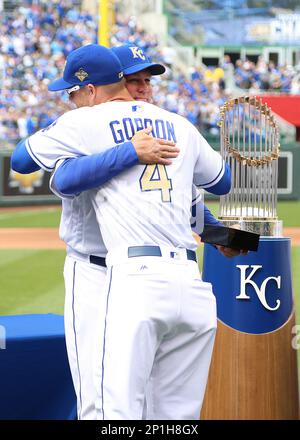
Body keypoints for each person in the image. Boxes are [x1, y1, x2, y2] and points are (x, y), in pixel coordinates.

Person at [22, 43, 231, 420]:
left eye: (147, 81)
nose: (143, 89)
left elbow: (188, 205)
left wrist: (222, 237)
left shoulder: (160, 127)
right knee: (100, 398)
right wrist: (128, 151)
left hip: (137, 276)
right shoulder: (86, 132)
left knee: (145, 406)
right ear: (111, 82)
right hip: (96, 270)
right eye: (134, 80)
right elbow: (65, 179)